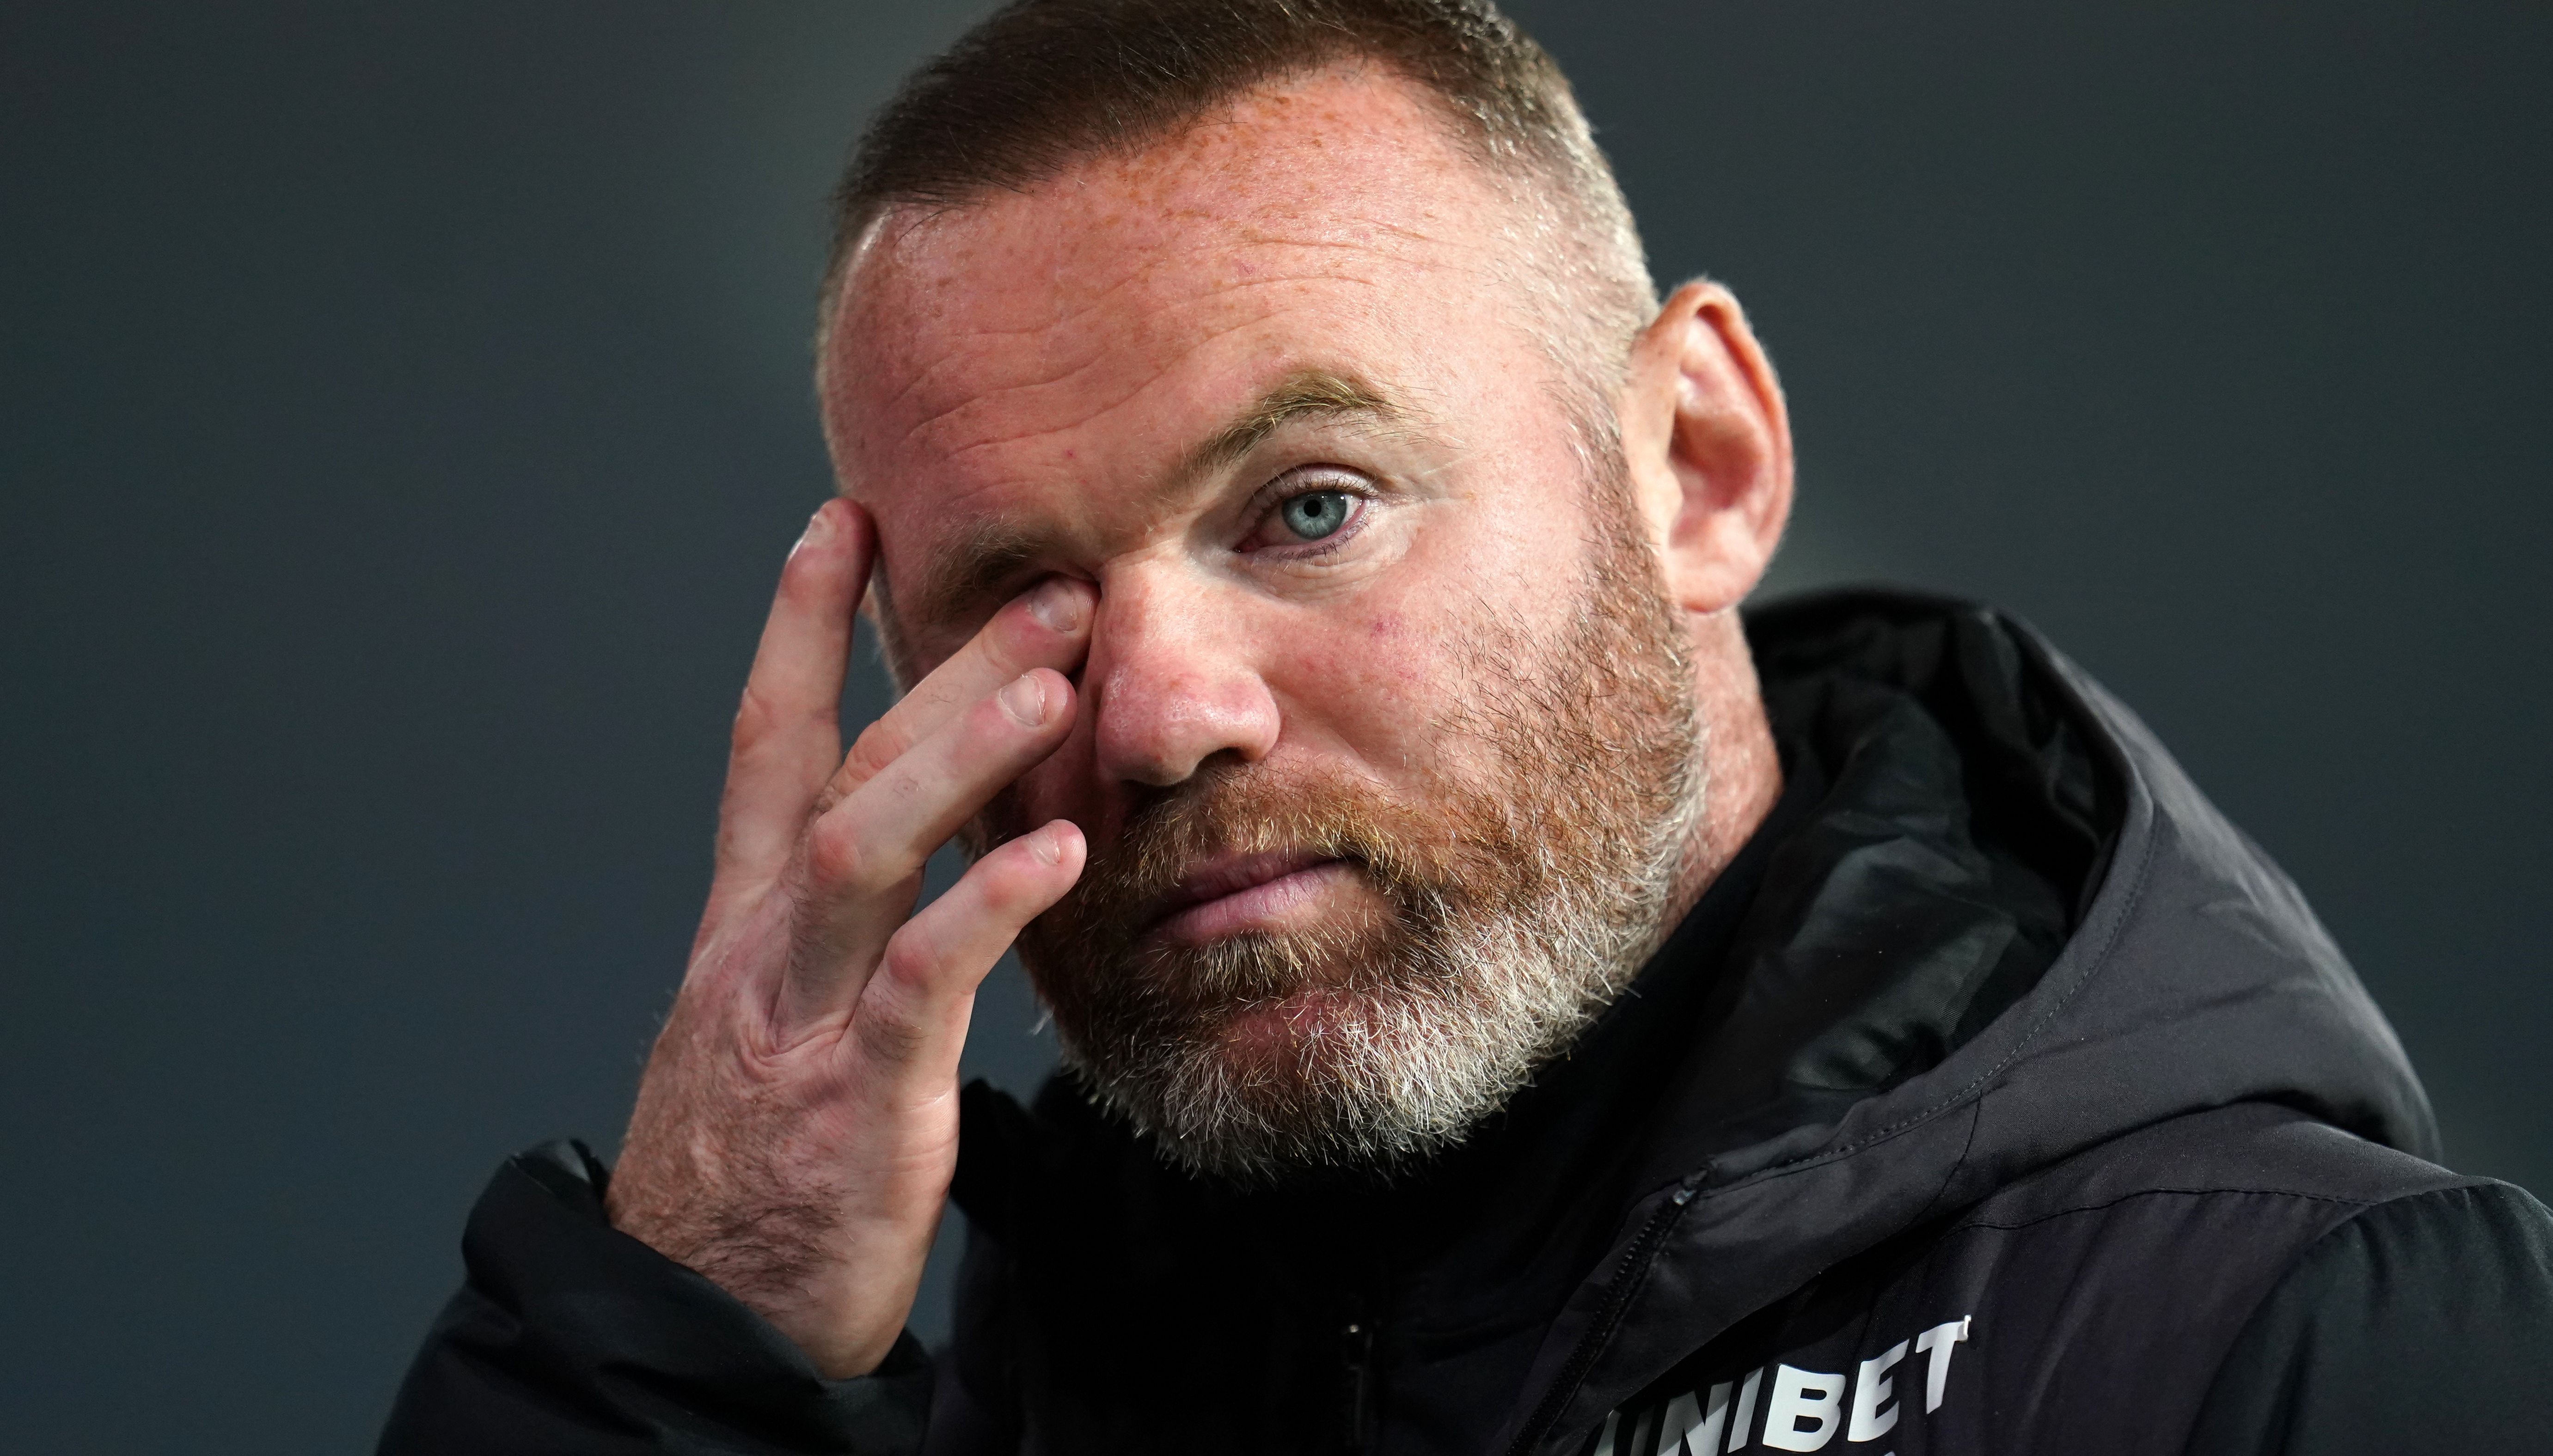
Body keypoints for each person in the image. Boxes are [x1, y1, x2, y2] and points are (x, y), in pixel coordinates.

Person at [377, 2, 2553, 1451]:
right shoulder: (953, 1397)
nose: (1152, 714)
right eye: (1019, 604)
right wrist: (684, 1338)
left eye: (1307, 507)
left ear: (1695, 464)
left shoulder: (2293, 1337)